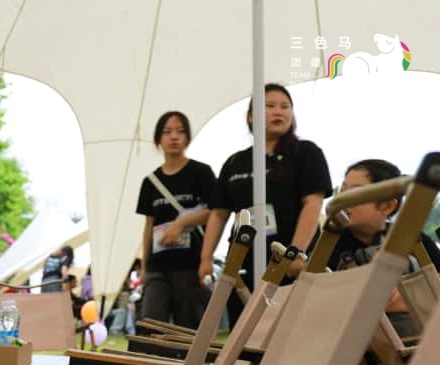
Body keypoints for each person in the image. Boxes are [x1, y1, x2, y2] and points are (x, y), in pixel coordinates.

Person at [199, 83, 332, 321]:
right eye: (269, 106)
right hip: (243, 262)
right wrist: (206, 258)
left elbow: (313, 203)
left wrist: (296, 253)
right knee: (244, 330)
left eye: (285, 106)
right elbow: (218, 213)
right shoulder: (235, 162)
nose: (278, 111)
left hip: (289, 263)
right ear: (251, 116)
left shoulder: (305, 153)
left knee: (290, 329)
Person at [327, 159, 440, 337]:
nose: (344, 200)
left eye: (355, 193)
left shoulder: (411, 236)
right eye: (342, 191)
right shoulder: (330, 242)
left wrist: (410, 293)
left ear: (388, 206)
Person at [135, 111, 217, 328]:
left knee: (188, 330)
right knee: (150, 325)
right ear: (158, 139)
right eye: (167, 132)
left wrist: (181, 223)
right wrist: (145, 266)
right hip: (158, 266)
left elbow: (215, 212)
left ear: (187, 137)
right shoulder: (150, 182)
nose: (174, 137)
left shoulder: (201, 173)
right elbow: (148, 225)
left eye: (180, 131)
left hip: (191, 265)